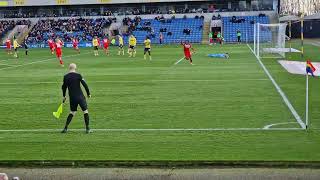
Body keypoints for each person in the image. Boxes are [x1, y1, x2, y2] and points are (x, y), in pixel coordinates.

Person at [61, 63, 91, 134]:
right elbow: (85, 85)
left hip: (72, 98)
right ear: (75, 68)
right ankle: (87, 129)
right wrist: (88, 93)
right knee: (85, 111)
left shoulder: (65, 77)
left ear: (69, 68)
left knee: (72, 112)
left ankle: (65, 128)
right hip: (80, 97)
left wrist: (64, 96)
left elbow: (63, 87)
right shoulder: (78, 75)